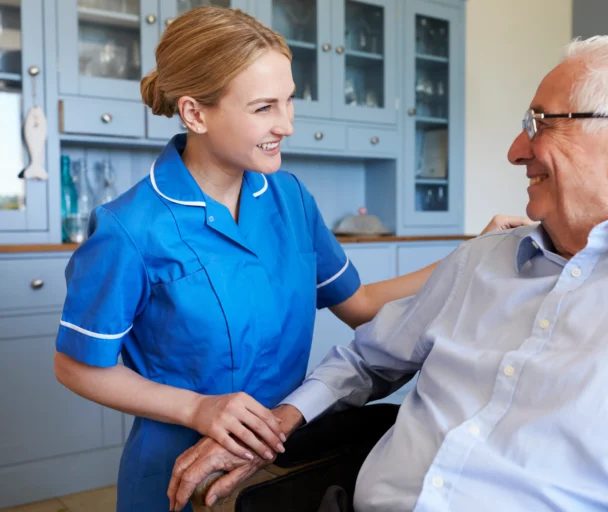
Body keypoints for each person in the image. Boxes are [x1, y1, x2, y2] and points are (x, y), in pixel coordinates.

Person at [169, 35, 608, 512]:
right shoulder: (483, 258)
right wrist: (276, 424)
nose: (515, 149)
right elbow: (363, 358)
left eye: (540, 124)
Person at [52, 7, 529, 512]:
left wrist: (467, 254)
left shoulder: (290, 199)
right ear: (195, 113)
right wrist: (197, 408)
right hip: (177, 471)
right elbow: (75, 366)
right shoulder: (130, 227)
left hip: (278, 458)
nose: (287, 124)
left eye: (289, 101)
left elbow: (361, 304)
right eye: (264, 108)